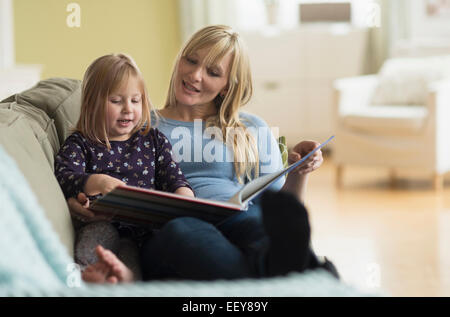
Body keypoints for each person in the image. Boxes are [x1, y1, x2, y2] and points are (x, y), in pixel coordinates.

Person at [70, 25, 338, 283]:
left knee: (261, 226)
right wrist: (82, 201)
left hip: (240, 217)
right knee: (187, 232)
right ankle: (296, 277)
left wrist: (298, 170)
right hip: (173, 228)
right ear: (179, 60)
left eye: (212, 71)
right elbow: (96, 170)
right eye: (191, 60)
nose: (196, 75)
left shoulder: (250, 128)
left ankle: (284, 272)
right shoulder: (139, 126)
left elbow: (281, 208)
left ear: (226, 85)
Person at [55, 53, 194, 282]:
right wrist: (95, 182)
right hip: (101, 221)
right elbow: (63, 176)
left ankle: (123, 280)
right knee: (95, 238)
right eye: (116, 101)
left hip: (143, 231)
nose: (128, 109)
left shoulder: (152, 139)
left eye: (135, 100)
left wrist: (185, 199)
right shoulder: (81, 143)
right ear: (92, 103)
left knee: (131, 258)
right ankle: (86, 275)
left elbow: (173, 176)